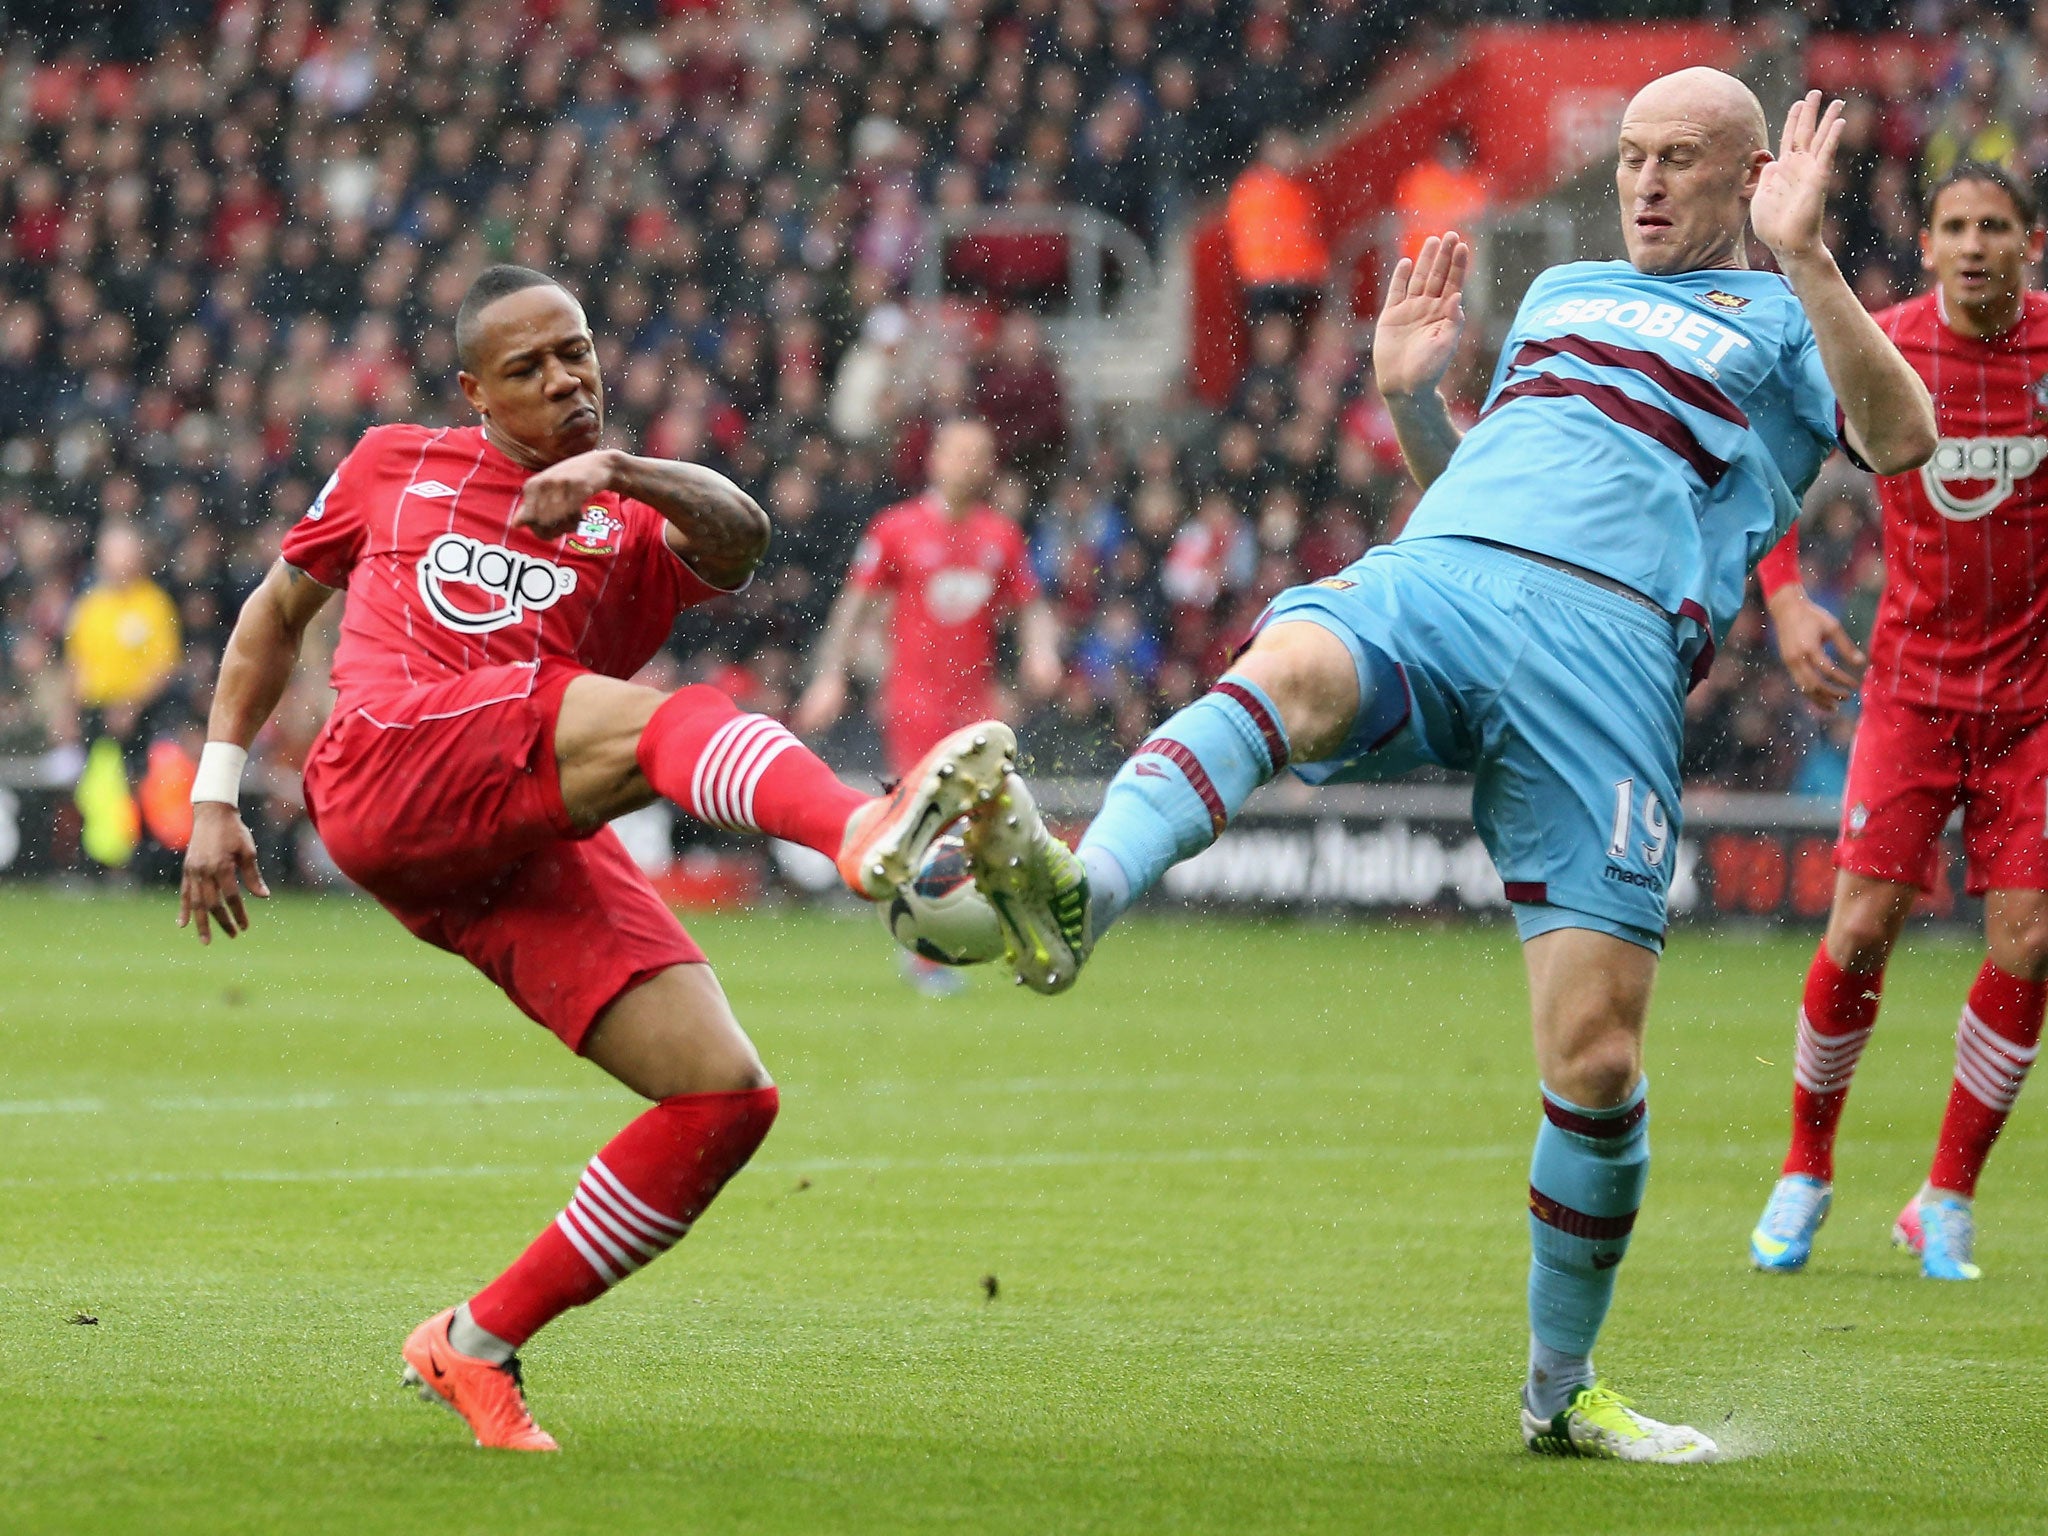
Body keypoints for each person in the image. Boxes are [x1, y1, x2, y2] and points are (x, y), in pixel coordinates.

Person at [966, 76, 1935, 1464]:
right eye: (1633, 158)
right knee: (1290, 667)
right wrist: (1415, 405)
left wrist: (1811, 255)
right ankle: (1084, 892)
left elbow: (1903, 445)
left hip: (1606, 659)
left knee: (1596, 1062)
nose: (1646, 183)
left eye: (1680, 162)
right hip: (1447, 576)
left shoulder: (1793, 317)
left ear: (1752, 173)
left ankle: (1561, 1392)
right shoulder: (1558, 296)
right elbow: (1479, 477)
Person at [176, 265, 1018, 1452]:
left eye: (574, 353)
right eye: (527, 369)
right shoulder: (390, 463)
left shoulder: (626, 516)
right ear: (474, 390)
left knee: (722, 1096)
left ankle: (472, 1342)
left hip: (505, 824)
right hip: (383, 764)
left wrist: (621, 472)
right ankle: (856, 829)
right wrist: (216, 796)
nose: (564, 380)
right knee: (652, 709)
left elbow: (741, 543)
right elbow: (274, 616)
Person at [1749, 160, 2048, 1283]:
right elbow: (1774, 462)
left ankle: (1945, 1198)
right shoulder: (1881, 345)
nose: (1974, 246)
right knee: (1861, 926)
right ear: (1923, 245)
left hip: (2032, 709)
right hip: (1911, 694)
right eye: (1953, 228)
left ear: (2029, 240)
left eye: (1994, 228)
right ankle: (1803, 1167)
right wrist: (1781, 598)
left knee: (2028, 941)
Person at [792, 418, 1060, 991]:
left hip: (976, 705)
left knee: (980, 826)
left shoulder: (1002, 536)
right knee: (926, 822)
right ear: (935, 459)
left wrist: (1040, 653)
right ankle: (929, 950)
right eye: (961, 452)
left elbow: (1032, 605)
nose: (972, 464)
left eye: (981, 454)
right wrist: (829, 677)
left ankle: (978, 934)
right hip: (913, 702)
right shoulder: (896, 529)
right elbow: (855, 606)